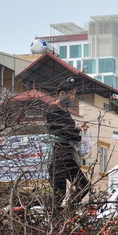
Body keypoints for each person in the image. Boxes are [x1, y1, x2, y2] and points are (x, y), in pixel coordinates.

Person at [45, 80, 90, 209]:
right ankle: (55, 218)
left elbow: (68, 130)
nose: (73, 98)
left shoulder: (66, 112)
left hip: (68, 154)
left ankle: (69, 210)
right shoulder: (52, 110)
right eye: (71, 94)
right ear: (62, 93)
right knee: (59, 194)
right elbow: (62, 131)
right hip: (58, 154)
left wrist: (78, 130)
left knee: (84, 185)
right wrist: (78, 135)